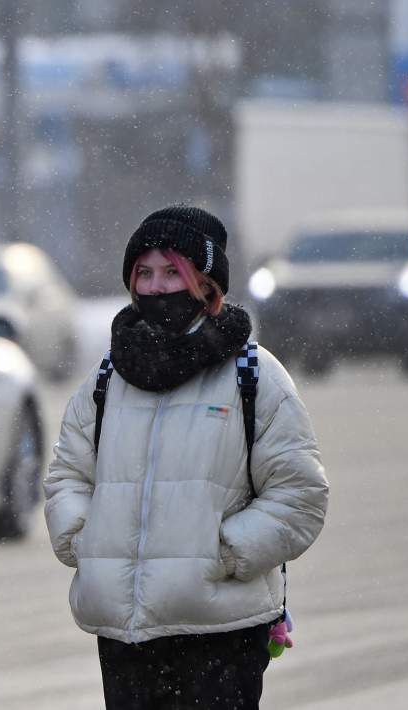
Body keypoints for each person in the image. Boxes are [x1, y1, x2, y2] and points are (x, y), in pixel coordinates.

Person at [43, 204, 329, 709]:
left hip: (221, 631)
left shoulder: (253, 377)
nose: (156, 287)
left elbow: (299, 496)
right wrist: (85, 540)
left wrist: (224, 552)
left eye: (172, 272)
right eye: (144, 273)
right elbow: (68, 474)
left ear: (206, 282)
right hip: (124, 634)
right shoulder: (108, 379)